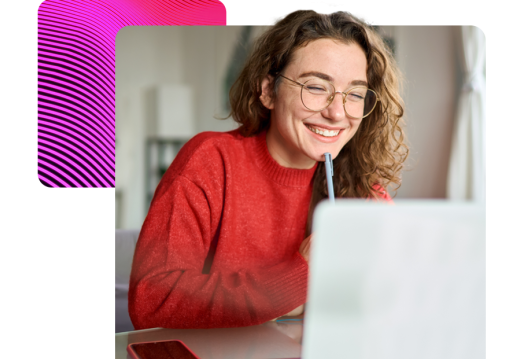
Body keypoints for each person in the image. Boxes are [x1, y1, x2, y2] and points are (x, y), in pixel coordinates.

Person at [129, 10, 408, 330]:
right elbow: (151, 301)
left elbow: (395, 301)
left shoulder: (361, 190)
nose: (336, 112)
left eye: (355, 94)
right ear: (268, 90)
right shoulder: (210, 161)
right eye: (316, 87)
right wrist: (298, 277)